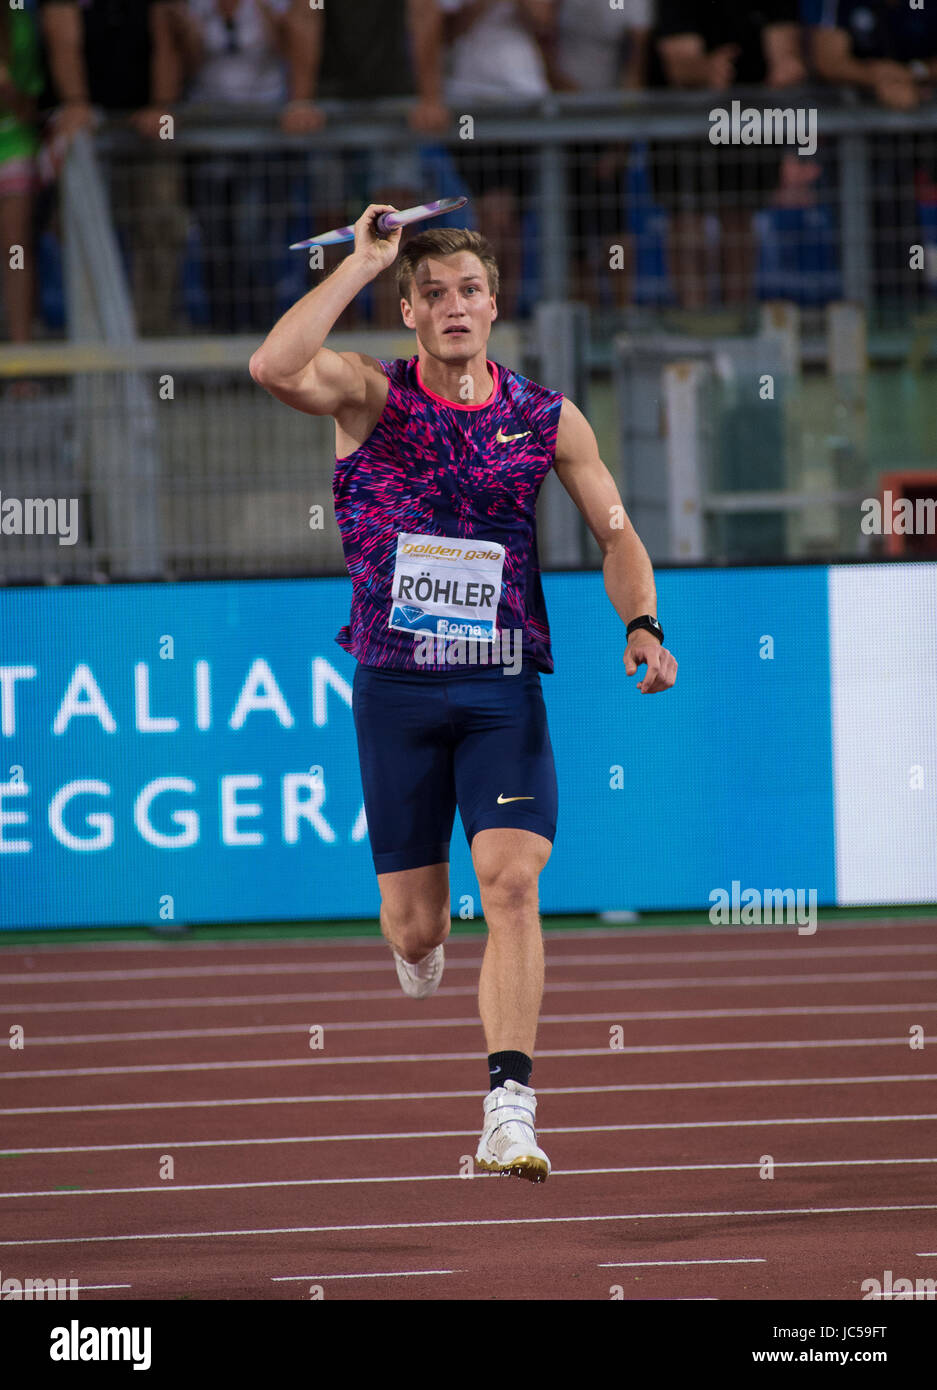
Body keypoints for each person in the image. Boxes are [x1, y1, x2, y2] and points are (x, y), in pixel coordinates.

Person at [249, 206, 677, 1181]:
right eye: (432, 293)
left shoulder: (544, 417)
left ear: (494, 305)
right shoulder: (372, 394)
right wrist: (359, 264)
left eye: (470, 291)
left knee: (515, 883)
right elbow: (274, 369)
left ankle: (508, 1110)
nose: (453, 306)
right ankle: (419, 945)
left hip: (498, 690)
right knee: (418, 926)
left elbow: (615, 533)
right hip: (395, 689)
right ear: (407, 309)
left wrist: (642, 623)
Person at [38, 0, 188, 336]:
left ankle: (150, 340)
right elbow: (61, 35)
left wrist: (161, 106)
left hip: (142, 129)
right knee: (79, 230)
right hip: (84, 133)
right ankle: (92, 343)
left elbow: (167, 41)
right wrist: (76, 103)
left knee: (160, 222)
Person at [649, 0, 805, 310]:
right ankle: (694, 321)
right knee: (686, 217)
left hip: (750, 118)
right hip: (682, 122)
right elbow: (680, 63)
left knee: (738, 214)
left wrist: (785, 68)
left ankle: (737, 317)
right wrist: (704, 70)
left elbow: (785, 55)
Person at [438, 0, 555, 319]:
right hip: (469, 102)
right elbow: (444, 32)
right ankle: (485, 309)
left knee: (510, 221)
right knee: (492, 216)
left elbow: (545, 22)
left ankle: (505, 312)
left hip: (523, 99)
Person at [0, 2, 44, 355]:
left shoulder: (20, 24)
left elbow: (30, 106)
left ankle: (22, 361)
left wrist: (8, 90)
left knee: (15, 247)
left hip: (14, 141)